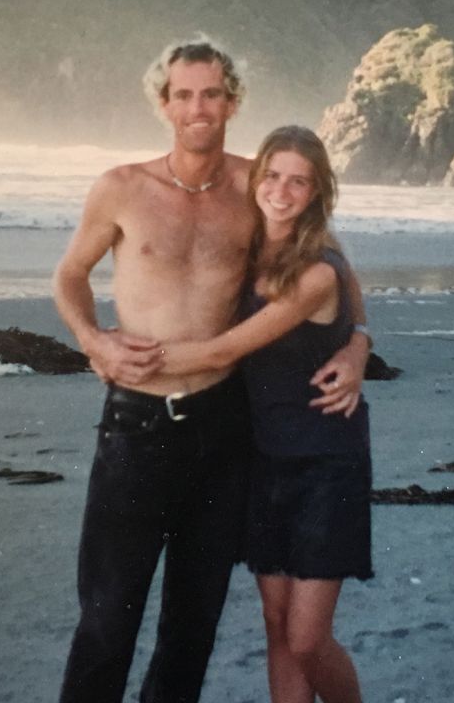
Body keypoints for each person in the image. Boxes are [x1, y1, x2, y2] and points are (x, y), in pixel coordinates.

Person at [52, 42, 370, 703]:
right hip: (136, 424)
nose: (199, 108)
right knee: (109, 618)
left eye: (213, 94)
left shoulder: (257, 186)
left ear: (233, 101)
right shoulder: (122, 187)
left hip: (222, 431)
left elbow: (331, 256)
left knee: (192, 625)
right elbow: (70, 273)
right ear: (164, 104)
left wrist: (358, 340)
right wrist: (92, 340)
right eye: (185, 94)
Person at [157, 125, 370, 703]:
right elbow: (358, 305)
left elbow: (227, 349)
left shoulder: (316, 269)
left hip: (326, 462)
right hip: (262, 457)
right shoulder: (246, 247)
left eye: (298, 181)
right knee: (276, 625)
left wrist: (131, 359)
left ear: (317, 191)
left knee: (306, 638)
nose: (281, 190)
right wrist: (360, 340)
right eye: (272, 176)